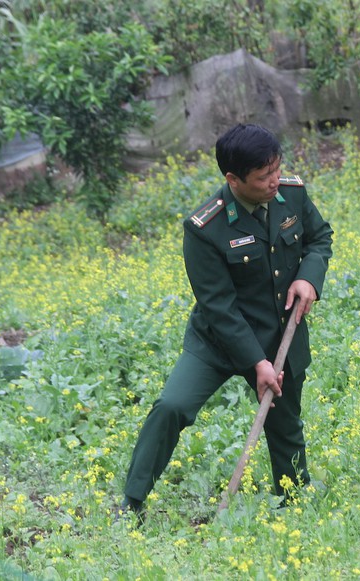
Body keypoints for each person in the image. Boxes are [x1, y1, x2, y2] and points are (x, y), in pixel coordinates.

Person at [119, 124, 334, 518]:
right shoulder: (205, 228)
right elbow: (219, 307)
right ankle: (131, 503)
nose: (274, 182)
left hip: (279, 335)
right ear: (233, 179)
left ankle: (294, 499)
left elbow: (320, 238)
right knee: (171, 406)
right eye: (263, 177)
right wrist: (256, 364)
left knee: (284, 423)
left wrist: (309, 276)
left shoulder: (293, 194)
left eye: (276, 170)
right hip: (218, 340)